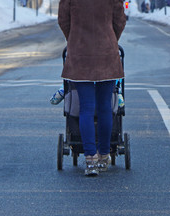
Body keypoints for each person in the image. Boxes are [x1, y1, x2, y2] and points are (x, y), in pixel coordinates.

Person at [58, 0, 126, 176]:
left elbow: (63, 20)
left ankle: (90, 159)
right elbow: (119, 20)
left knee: (86, 108)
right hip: (107, 53)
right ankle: (104, 155)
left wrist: (73, 39)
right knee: (105, 107)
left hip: (80, 55)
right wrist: (111, 39)